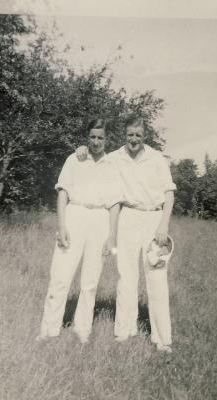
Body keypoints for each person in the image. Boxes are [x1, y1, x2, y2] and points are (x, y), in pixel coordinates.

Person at [76, 114, 176, 352]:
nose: (133, 139)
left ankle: (162, 339)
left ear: (145, 136)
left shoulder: (157, 159)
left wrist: (163, 225)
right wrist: (81, 151)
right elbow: (94, 158)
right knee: (126, 276)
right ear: (124, 134)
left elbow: (169, 194)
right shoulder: (114, 158)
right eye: (130, 134)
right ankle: (124, 331)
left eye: (138, 135)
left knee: (157, 279)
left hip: (153, 218)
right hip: (127, 218)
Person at [36, 118, 121, 344]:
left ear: (106, 139)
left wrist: (111, 235)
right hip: (75, 215)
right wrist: (62, 226)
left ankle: (82, 329)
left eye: (100, 137)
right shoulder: (74, 159)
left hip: (100, 219)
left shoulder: (112, 165)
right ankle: (48, 330)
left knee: (90, 280)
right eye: (92, 137)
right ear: (87, 137)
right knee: (60, 276)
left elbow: (114, 203)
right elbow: (63, 193)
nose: (95, 142)